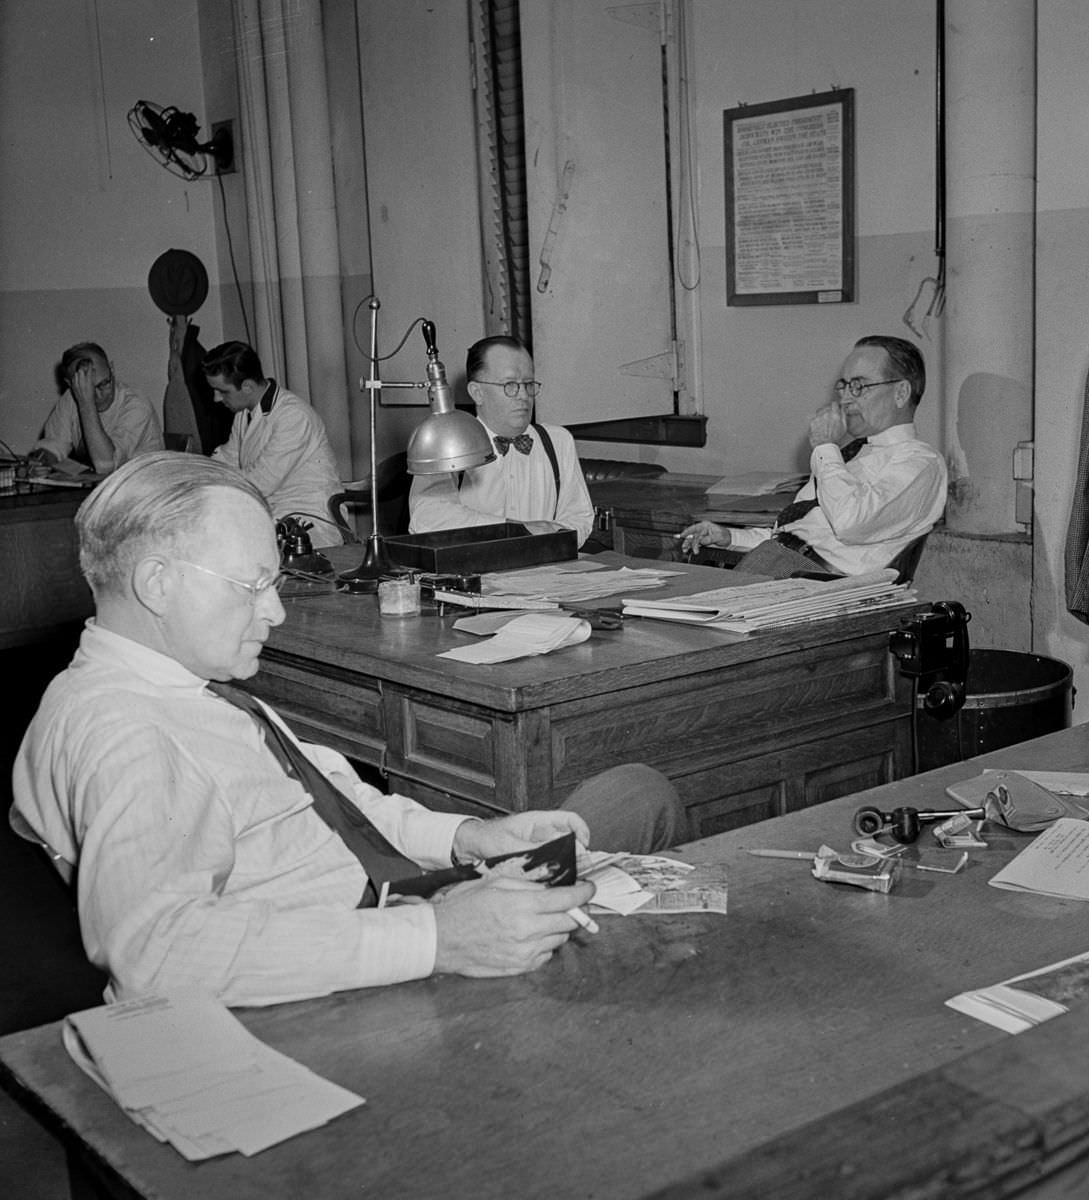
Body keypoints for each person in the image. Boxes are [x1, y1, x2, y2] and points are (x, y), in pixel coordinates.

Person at [10, 453, 684, 1007]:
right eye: (250, 586)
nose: (274, 610)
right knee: (645, 948)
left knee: (637, 792)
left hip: (396, 900)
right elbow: (152, 957)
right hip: (357, 970)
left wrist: (470, 837)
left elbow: (338, 801)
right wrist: (440, 937)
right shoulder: (128, 733)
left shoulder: (180, 686)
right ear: (157, 582)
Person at [679, 336, 947, 579]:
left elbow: (850, 524)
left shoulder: (920, 463)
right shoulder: (853, 454)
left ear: (900, 393)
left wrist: (825, 447)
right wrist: (730, 537)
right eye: (842, 386)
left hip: (821, 584)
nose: (844, 399)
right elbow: (801, 532)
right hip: (780, 564)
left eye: (859, 386)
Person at [408, 335, 595, 546]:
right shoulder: (449, 444)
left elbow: (580, 516)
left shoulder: (558, 441)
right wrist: (512, 530)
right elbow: (427, 518)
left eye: (528, 384)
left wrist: (552, 538)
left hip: (544, 569)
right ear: (477, 393)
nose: (523, 395)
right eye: (510, 385)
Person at [203, 341, 342, 548]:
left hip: (306, 519)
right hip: (270, 512)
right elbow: (227, 458)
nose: (216, 398)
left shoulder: (293, 416)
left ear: (248, 387)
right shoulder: (244, 413)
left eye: (222, 391)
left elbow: (261, 481)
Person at [28, 342, 163, 474]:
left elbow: (106, 465)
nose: (98, 396)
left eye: (104, 383)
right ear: (70, 384)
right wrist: (43, 461)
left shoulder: (136, 405)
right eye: (88, 389)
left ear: (112, 369)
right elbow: (54, 445)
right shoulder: (71, 398)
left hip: (145, 489)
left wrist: (86, 403)